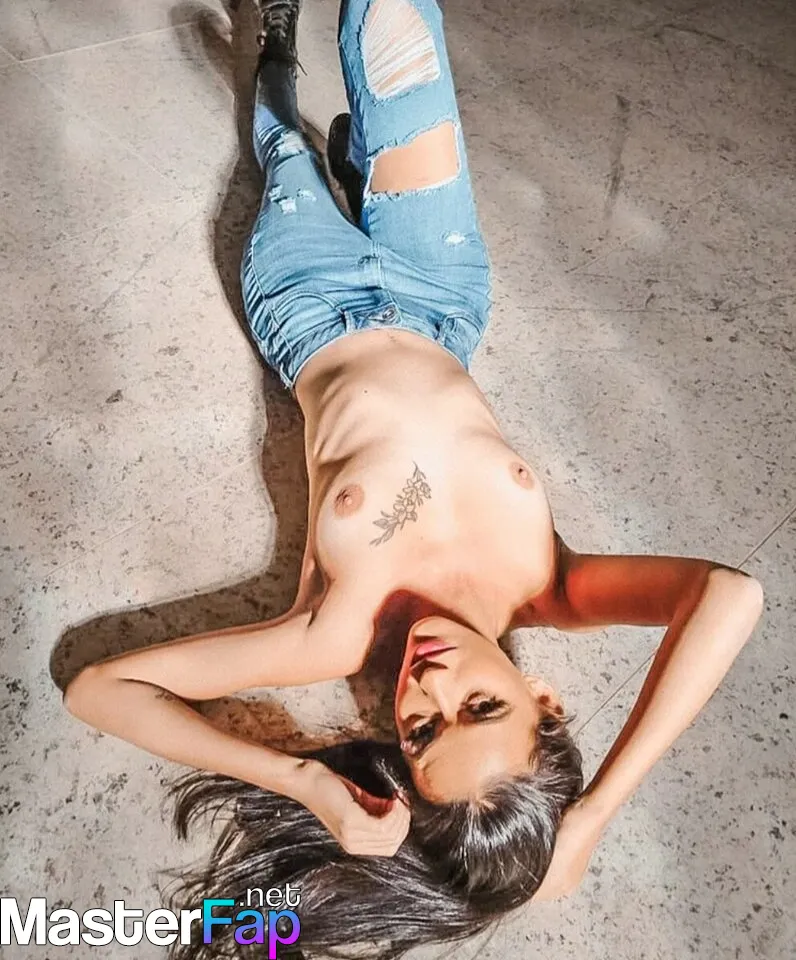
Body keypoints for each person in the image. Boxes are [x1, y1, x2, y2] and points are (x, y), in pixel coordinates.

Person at [64, 0, 765, 957]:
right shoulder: (555, 589)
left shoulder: (333, 634)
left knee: (281, 145)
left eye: (423, 734)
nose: (430, 687)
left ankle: (276, 54)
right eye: (482, 706)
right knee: (393, 24)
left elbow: (99, 690)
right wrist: (595, 814)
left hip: (309, 301)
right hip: (441, 289)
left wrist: (302, 781)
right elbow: (730, 595)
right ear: (544, 700)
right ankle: (360, 158)